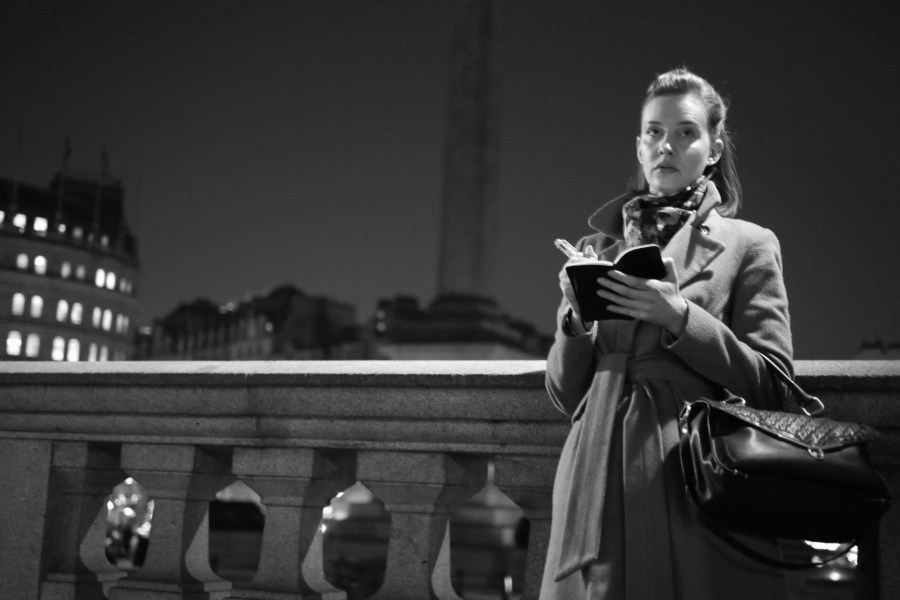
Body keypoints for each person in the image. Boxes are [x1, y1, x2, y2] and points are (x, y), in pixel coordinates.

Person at [540, 68, 793, 599]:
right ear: (638, 146)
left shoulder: (750, 244)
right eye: (654, 132)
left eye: (685, 132)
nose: (666, 146)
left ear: (715, 147)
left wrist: (681, 318)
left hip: (690, 478)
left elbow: (775, 387)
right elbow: (566, 396)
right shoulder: (601, 250)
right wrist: (575, 320)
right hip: (596, 468)